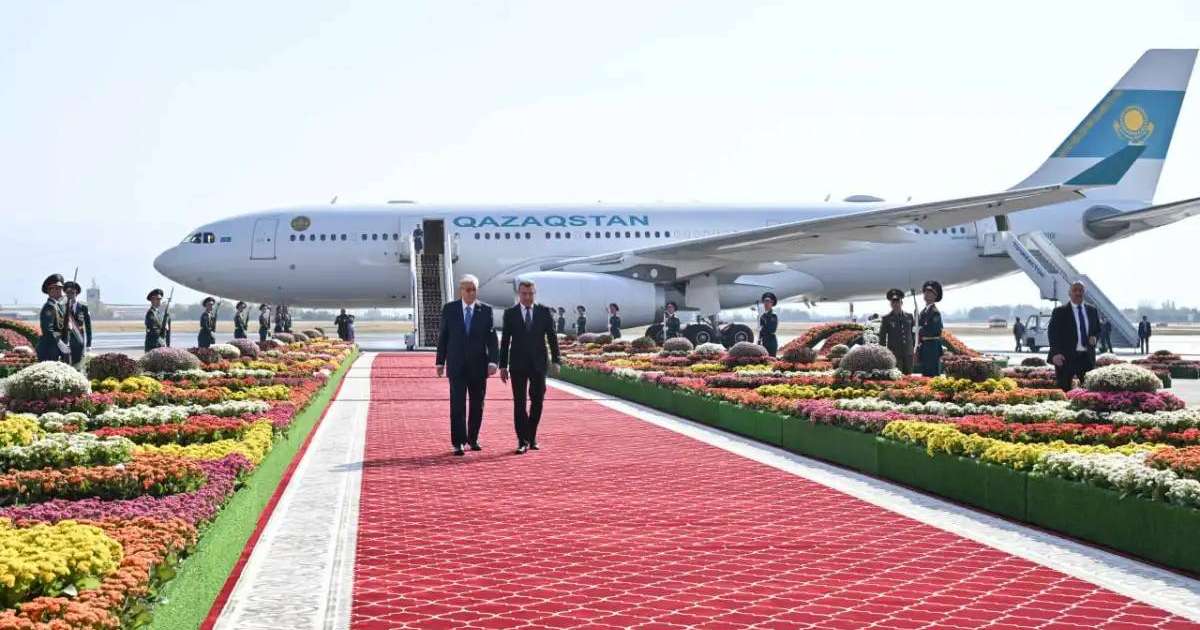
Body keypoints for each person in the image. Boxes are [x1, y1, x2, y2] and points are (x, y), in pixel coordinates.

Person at [435, 275, 499, 456]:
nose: (471, 293)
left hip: (479, 366)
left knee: (477, 404)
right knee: (457, 404)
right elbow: (444, 337)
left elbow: (492, 339)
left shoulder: (486, 310)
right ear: (461, 291)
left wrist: (494, 361)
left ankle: (473, 438)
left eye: (474, 290)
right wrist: (440, 361)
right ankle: (458, 442)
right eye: (467, 289)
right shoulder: (449, 309)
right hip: (456, 365)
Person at [499, 280, 561, 454]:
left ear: (535, 293)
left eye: (530, 293)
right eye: (524, 294)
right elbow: (504, 341)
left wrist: (556, 360)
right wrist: (502, 365)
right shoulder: (510, 314)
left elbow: (552, 338)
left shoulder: (544, 312)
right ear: (519, 294)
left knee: (538, 401)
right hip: (517, 365)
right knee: (519, 403)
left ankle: (531, 436)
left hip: (538, 364)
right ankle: (522, 440)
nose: (527, 297)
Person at [1048, 282, 1101, 391]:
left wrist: (1095, 338)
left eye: (1080, 290)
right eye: (1075, 290)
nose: (1078, 293)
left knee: (1089, 392)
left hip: (1086, 358)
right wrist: (1055, 353)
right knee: (1063, 391)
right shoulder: (1060, 312)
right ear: (1069, 293)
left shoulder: (1092, 311)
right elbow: (1053, 334)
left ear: (1084, 292)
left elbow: (1097, 330)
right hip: (1065, 358)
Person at [879, 289, 915, 374]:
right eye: (893, 302)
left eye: (897, 302)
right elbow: (882, 338)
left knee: (909, 376)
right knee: (897, 377)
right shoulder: (886, 318)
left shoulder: (909, 316)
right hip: (895, 353)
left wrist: (913, 348)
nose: (896, 304)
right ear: (891, 304)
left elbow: (913, 333)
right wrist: (883, 352)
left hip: (908, 352)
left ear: (901, 303)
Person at [36, 274, 69, 362]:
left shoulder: (58, 306)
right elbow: (48, 330)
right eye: (57, 289)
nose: (60, 291)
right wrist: (60, 343)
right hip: (49, 349)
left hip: (55, 348)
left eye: (61, 289)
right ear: (50, 291)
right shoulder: (49, 307)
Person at [917, 281, 944, 377]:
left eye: (930, 292)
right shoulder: (923, 311)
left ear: (935, 296)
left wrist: (918, 330)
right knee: (925, 374)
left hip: (932, 347)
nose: (926, 294)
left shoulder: (934, 312)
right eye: (925, 292)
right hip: (925, 347)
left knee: (932, 374)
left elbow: (933, 330)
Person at [63, 281, 91, 365]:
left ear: (76, 293)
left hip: (79, 340)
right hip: (66, 341)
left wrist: (88, 344)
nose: (70, 295)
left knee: (78, 364)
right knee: (66, 365)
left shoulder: (83, 308)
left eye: (72, 292)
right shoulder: (63, 307)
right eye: (68, 293)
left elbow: (88, 327)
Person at [758, 293, 779, 357]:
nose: (766, 303)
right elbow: (761, 330)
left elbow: (772, 330)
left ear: (772, 303)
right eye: (764, 301)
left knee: (771, 360)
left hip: (771, 342)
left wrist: (766, 319)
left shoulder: (773, 316)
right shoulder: (762, 316)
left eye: (768, 301)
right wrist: (759, 340)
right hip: (764, 342)